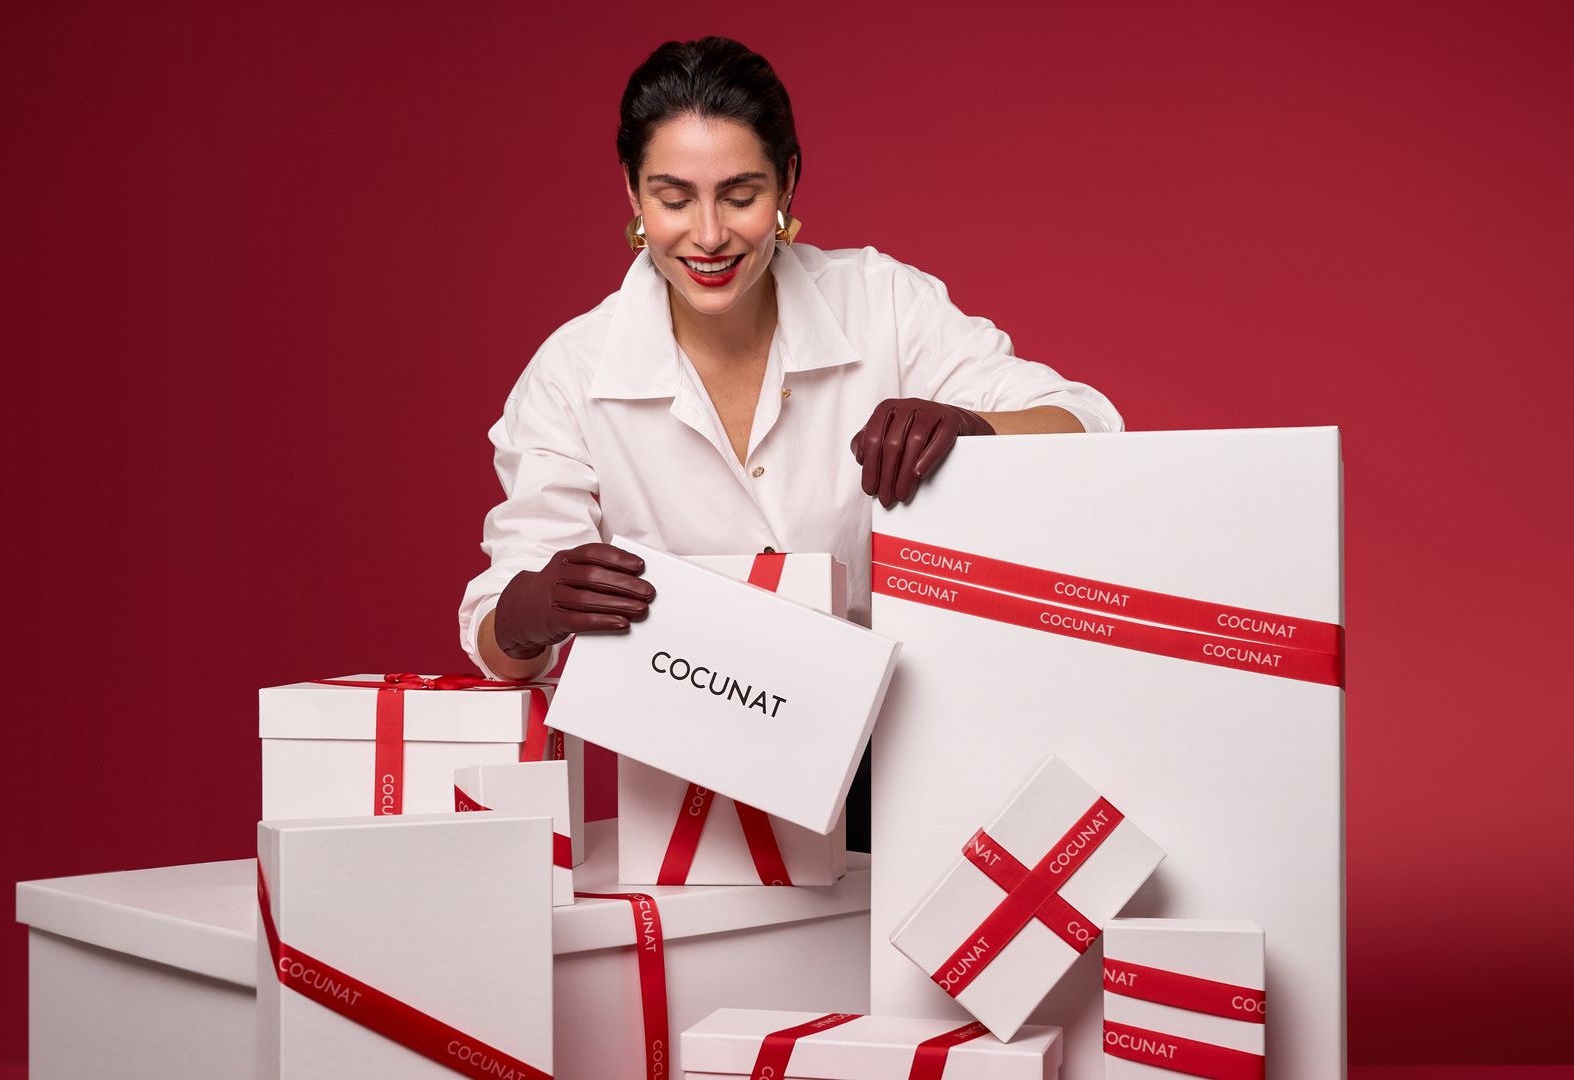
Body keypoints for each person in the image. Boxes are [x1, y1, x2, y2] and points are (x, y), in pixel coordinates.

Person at [460, 35, 1119, 711]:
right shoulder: (572, 372)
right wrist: (530, 611)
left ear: (787, 181)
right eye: (674, 198)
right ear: (633, 192)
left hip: (897, 766)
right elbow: (504, 649)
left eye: (740, 195)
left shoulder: (883, 306)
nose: (710, 235)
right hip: (690, 788)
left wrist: (973, 428)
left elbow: (1089, 425)